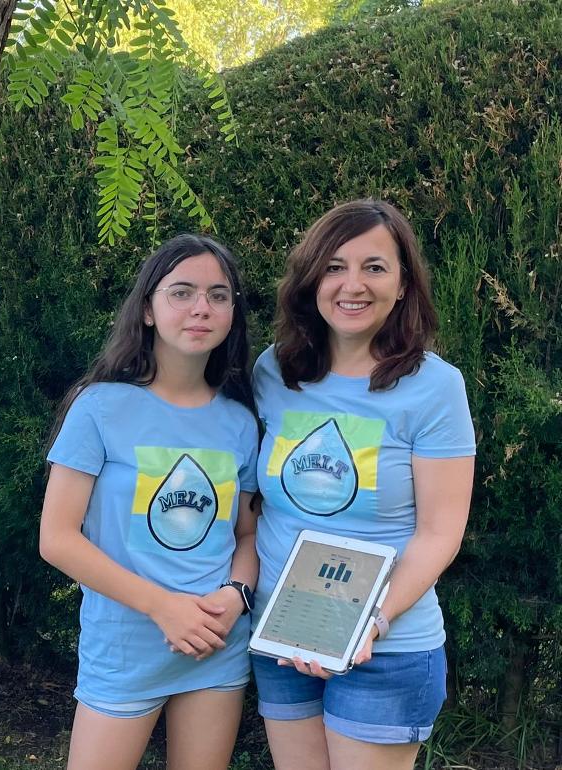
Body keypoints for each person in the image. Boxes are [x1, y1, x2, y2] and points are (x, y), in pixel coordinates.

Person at [252, 199, 476, 769]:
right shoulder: (273, 372)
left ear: (402, 284)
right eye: (334, 266)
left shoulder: (435, 387)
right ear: (311, 280)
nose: (353, 284)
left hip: (386, 645)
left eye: (374, 267)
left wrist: (365, 623)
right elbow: (252, 508)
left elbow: (439, 533)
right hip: (284, 640)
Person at [39, 234, 261, 770]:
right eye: (181, 292)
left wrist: (236, 596)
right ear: (147, 308)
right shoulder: (99, 408)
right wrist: (162, 607)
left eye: (218, 295)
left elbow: (248, 536)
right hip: (124, 649)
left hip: (216, 647)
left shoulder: (239, 422)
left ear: (232, 312)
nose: (201, 308)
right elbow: (57, 539)